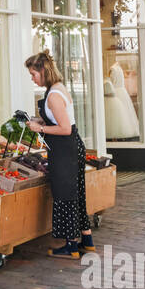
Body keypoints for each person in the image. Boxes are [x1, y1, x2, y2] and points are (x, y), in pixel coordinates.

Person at [25, 51, 93, 259]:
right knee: (77, 194)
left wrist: (40, 129)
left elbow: (65, 129)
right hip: (71, 148)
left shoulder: (54, 95)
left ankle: (71, 246)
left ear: (43, 71)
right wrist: (40, 121)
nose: (32, 78)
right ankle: (86, 240)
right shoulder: (58, 88)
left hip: (65, 150)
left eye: (33, 74)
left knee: (64, 196)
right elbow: (61, 121)